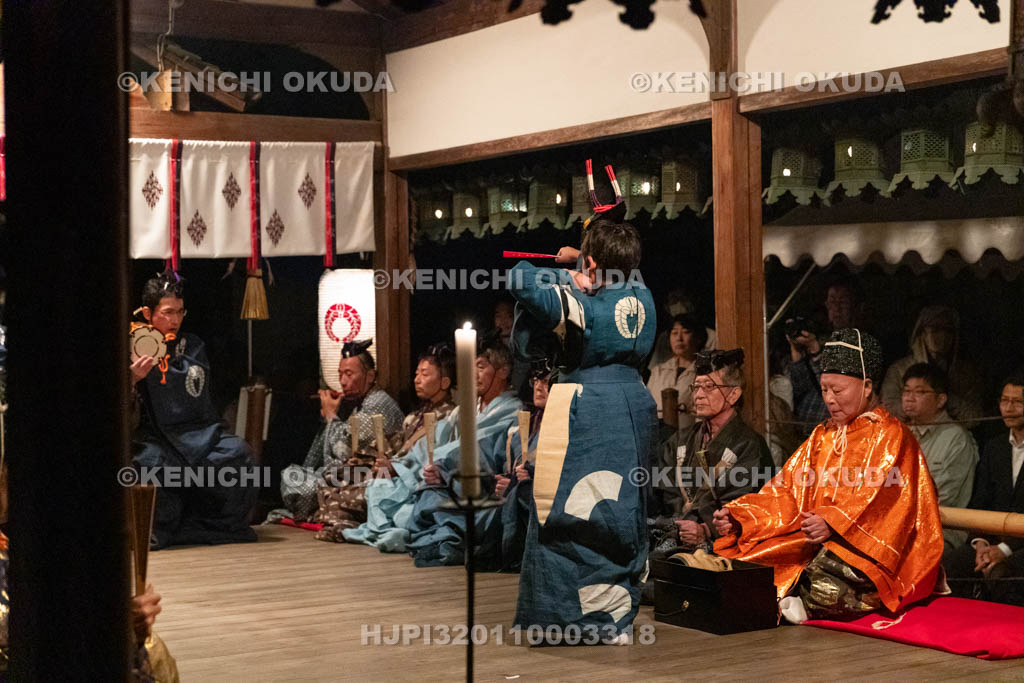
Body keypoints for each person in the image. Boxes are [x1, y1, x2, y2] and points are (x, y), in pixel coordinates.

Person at [713, 329, 942, 623]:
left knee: (837, 572)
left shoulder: (892, 435)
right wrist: (742, 515)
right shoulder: (823, 435)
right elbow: (786, 489)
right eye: (824, 389)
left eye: (838, 390)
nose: (829, 399)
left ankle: (800, 598)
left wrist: (833, 522)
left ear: (867, 386)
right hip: (813, 540)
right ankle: (789, 594)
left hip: (867, 548)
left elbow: (886, 505)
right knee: (748, 553)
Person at [510, 217, 658, 644]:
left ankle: (573, 620)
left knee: (568, 510)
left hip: (585, 405)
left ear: (592, 263)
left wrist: (568, 271)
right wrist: (585, 261)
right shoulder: (641, 291)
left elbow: (519, 276)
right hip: (634, 401)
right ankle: (617, 617)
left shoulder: (576, 299)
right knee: (622, 510)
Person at [130, 273, 257, 549]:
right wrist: (132, 379)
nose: (175, 319)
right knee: (150, 465)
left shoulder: (193, 344)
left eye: (179, 312)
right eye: (167, 312)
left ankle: (214, 527)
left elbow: (198, 393)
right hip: (155, 435)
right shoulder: (133, 346)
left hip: (199, 431)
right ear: (149, 313)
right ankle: (161, 530)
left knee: (240, 455)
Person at [643, 349, 774, 603]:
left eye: (709, 387)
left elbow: (746, 505)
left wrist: (705, 528)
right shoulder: (681, 441)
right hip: (675, 537)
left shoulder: (748, 445)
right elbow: (664, 491)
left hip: (720, 544)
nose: (699, 394)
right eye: (696, 387)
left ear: (733, 394)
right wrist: (676, 522)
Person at [315, 344, 458, 543]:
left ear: (444, 382)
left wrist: (394, 467)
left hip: (409, 479)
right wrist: (365, 458)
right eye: (417, 374)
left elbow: (427, 458)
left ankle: (348, 526)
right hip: (388, 471)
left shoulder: (449, 418)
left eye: (424, 375)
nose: (416, 380)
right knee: (331, 479)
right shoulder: (415, 416)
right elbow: (392, 444)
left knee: (346, 494)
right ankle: (344, 523)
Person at [403, 335, 522, 565]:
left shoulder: (512, 410)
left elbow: (481, 450)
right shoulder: (466, 407)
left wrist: (444, 467)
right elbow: (440, 436)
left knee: (420, 509)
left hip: (479, 487)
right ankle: (441, 539)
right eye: (471, 367)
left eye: (481, 367)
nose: (474, 375)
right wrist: (413, 461)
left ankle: (443, 542)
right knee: (402, 493)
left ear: (503, 371)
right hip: (443, 476)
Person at [274, 339, 403, 524]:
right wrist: (331, 418)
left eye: (349, 374)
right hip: (349, 476)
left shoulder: (377, 403)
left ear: (370, 376)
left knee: (298, 482)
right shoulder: (362, 402)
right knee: (294, 475)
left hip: (367, 480)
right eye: (340, 374)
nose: (343, 381)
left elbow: (342, 455)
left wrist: (330, 416)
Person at [944, 372, 1024, 605]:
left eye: (1017, 402)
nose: (1008, 408)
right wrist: (980, 543)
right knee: (951, 565)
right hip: (991, 540)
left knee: (1003, 575)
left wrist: (1004, 549)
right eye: (1004, 400)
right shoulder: (994, 447)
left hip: (1019, 545)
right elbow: (980, 502)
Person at [901, 362, 978, 559]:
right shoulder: (899, 432)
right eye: (906, 391)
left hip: (939, 530)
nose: (910, 397)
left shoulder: (956, 438)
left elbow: (943, 496)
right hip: (896, 525)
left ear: (941, 399)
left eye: (919, 392)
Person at [487, 362, 550, 571]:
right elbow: (506, 464)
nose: (539, 386)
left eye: (547, 380)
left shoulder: (565, 424)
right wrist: (507, 481)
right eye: (536, 380)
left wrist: (527, 479)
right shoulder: (524, 424)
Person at [881, 305, 983, 425]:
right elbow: (887, 409)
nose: (943, 336)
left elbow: (975, 416)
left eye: (948, 330)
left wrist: (946, 400)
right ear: (922, 333)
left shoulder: (965, 373)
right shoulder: (899, 370)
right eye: (935, 330)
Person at [646, 314, 707, 429]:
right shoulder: (658, 371)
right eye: (674, 333)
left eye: (685, 332)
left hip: (689, 434)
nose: (679, 338)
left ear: (698, 338)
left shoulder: (704, 372)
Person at [646, 289, 717, 369]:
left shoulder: (711, 335)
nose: (679, 338)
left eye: (682, 300)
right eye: (674, 301)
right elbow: (656, 367)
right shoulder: (665, 336)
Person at [785, 317, 830, 439]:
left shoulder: (830, 344)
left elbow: (827, 384)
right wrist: (795, 351)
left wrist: (814, 347)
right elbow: (800, 388)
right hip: (802, 433)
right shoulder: (804, 360)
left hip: (825, 433)